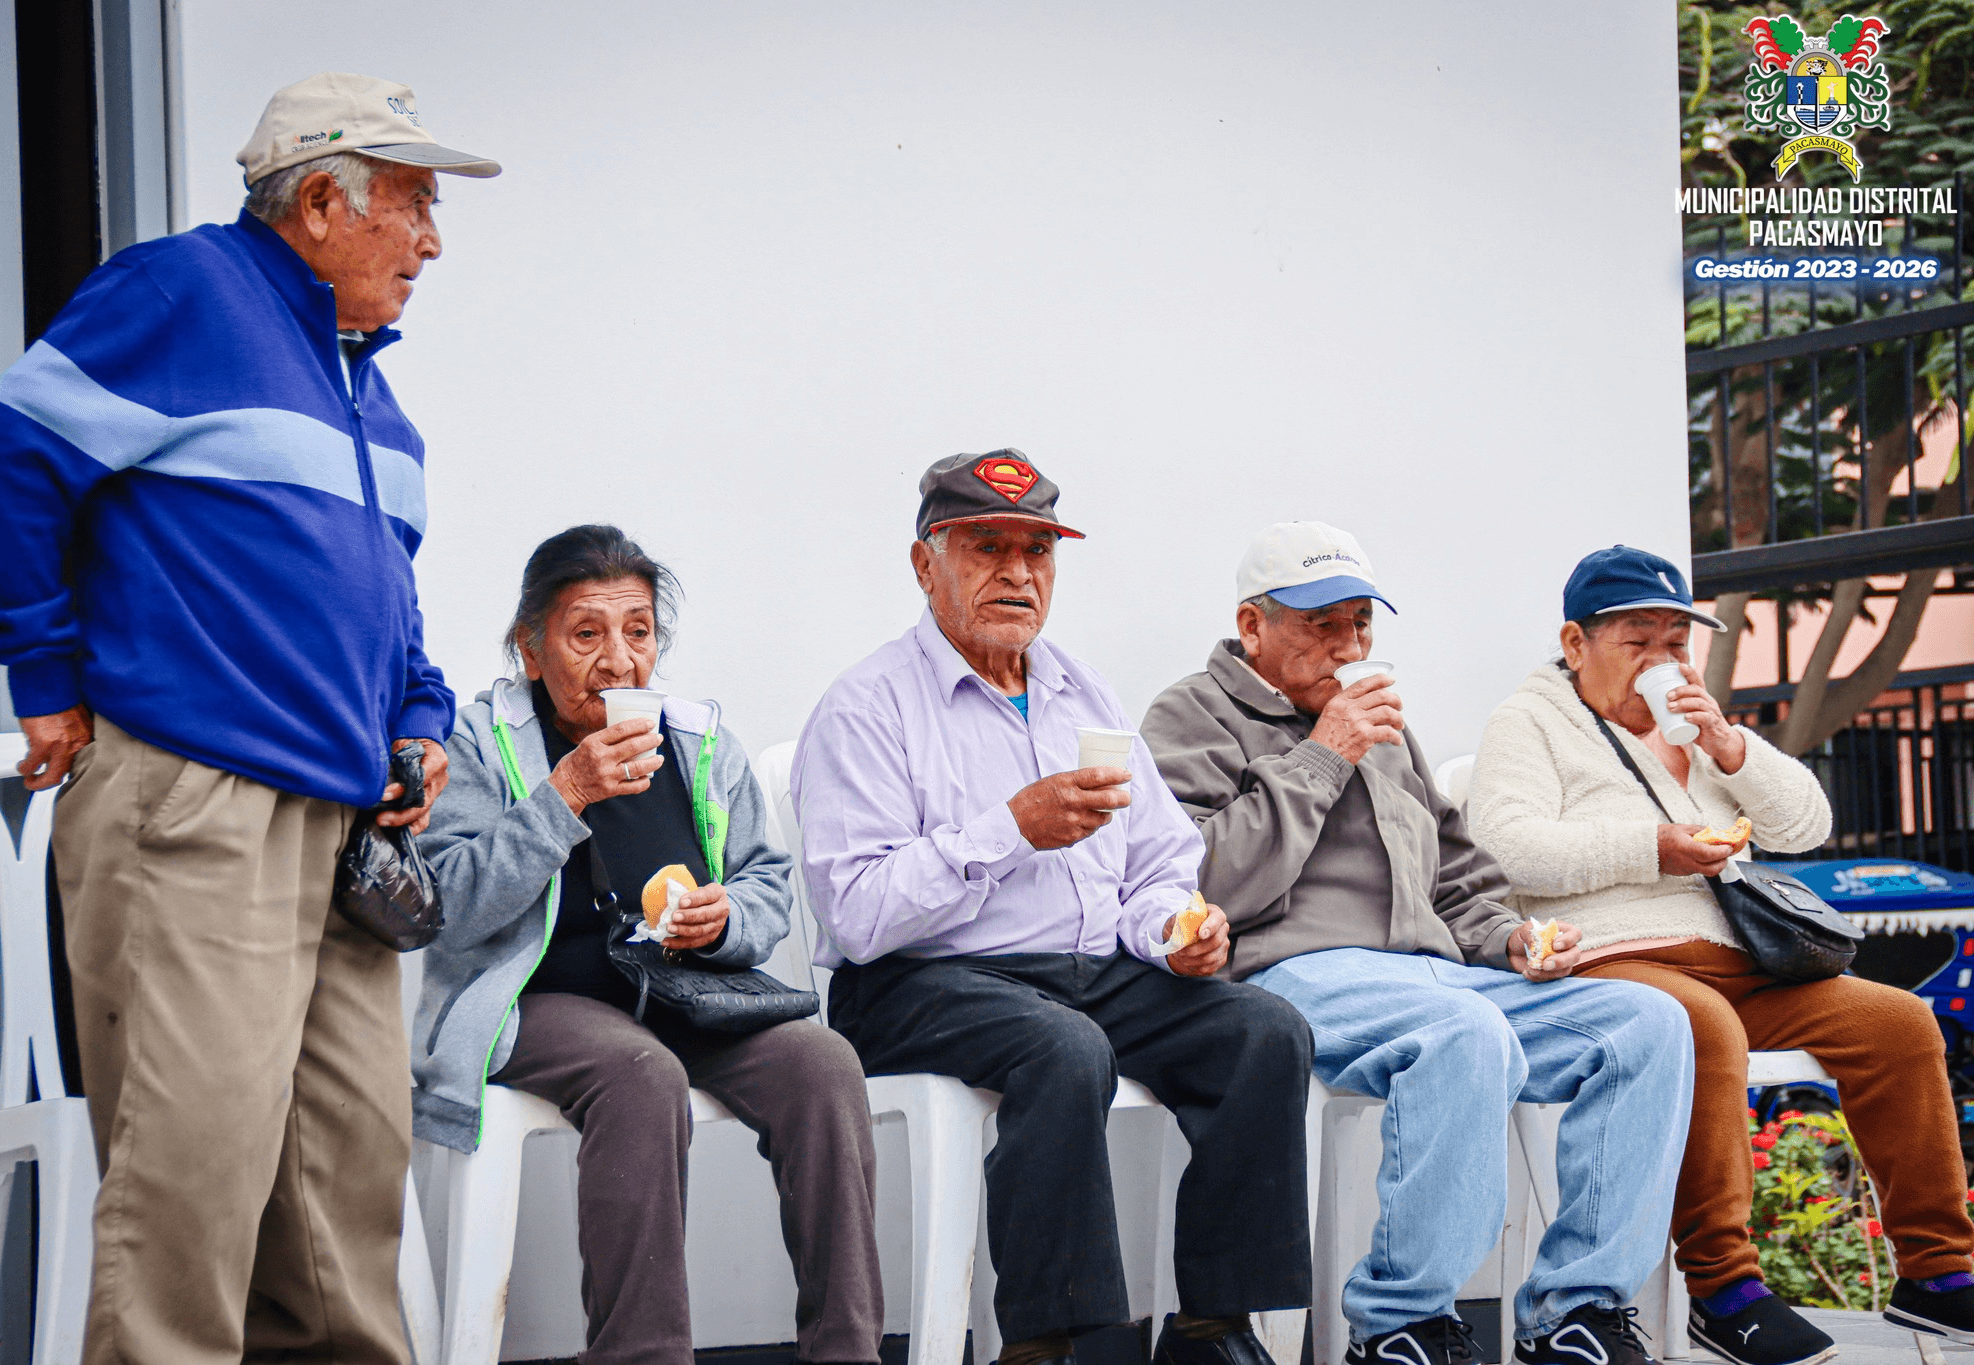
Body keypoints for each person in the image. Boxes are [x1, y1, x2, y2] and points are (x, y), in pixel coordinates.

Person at [0, 72, 497, 1363]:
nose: (432, 242)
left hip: (341, 821)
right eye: (413, 204)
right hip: (196, 800)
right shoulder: (184, 291)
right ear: (321, 202)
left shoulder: (375, 400)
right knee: (192, 1180)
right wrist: (45, 678)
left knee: (345, 1184)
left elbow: (386, 606)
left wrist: (418, 719)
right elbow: (8, 455)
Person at [793, 450, 1313, 1365]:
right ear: (925, 564)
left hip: (1085, 973)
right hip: (916, 983)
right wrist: (1009, 830)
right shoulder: (866, 706)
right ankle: (1042, 1345)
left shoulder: (1082, 691)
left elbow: (1158, 859)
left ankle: (1210, 1329)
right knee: (1066, 1048)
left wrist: (1174, 930)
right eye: (986, 547)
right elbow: (857, 914)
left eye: (1037, 550)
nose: (1018, 572)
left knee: (1264, 1031)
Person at [1141, 522, 1695, 1365]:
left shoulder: (1385, 730)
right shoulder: (1191, 714)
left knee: (1648, 1025)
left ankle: (1576, 1314)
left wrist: (1512, 937)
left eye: (1361, 623)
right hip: (1290, 972)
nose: (1349, 645)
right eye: (1322, 624)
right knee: (1465, 1035)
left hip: (1428, 973)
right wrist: (1324, 755)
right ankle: (1402, 1324)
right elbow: (1198, 879)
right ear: (1253, 625)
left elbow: (1455, 877)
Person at [1470, 544, 1974, 1365]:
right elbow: (1506, 847)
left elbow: (1806, 825)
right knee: (1702, 1024)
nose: (1661, 660)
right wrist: (1654, 846)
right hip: (1612, 961)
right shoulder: (1528, 722)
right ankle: (1724, 1286)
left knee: (1899, 1021)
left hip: (1741, 963)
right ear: (1575, 643)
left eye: (1676, 642)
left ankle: (1938, 1272)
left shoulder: (1698, 730)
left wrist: (1732, 744)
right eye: (1638, 641)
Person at [415, 524, 882, 1365]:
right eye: (585, 634)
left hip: (683, 989)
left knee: (823, 1064)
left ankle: (846, 1351)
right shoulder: (478, 742)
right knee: (640, 1072)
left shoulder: (699, 742)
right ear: (531, 649)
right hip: (539, 998)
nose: (619, 661)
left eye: (638, 632)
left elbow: (766, 881)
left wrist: (725, 919)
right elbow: (450, 903)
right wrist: (566, 794)